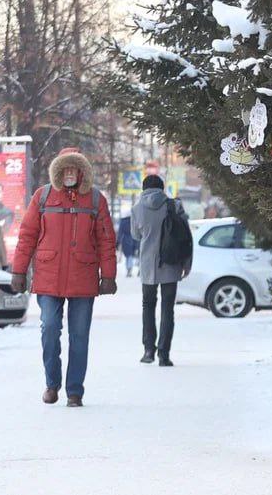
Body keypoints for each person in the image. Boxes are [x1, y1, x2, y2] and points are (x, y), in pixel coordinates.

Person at [11, 148, 117, 408]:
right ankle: (51, 383)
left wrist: (109, 275)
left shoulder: (95, 200)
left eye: (74, 168)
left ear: (82, 171)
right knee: (49, 328)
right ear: (58, 171)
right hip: (49, 276)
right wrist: (18, 271)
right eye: (65, 168)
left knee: (79, 335)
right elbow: (27, 236)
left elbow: (106, 241)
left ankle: (74, 391)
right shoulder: (43, 196)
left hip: (83, 277)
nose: (70, 173)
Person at [131, 175, 189, 367]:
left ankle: (148, 350)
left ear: (144, 188)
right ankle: (164, 354)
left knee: (147, 306)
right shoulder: (174, 206)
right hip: (171, 264)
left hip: (148, 266)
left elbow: (135, 235)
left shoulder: (137, 209)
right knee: (167, 309)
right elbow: (185, 237)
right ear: (163, 188)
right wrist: (186, 264)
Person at [116, 211, 139, 277]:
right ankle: (132, 269)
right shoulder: (134, 221)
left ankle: (129, 269)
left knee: (128, 256)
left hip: (125, 240)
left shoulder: (123, 222)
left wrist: (118, 241)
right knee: (132, 255)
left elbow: (120, 232)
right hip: (134, 238)